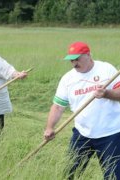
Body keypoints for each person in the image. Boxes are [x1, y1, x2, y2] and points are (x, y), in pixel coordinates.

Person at [44, 41, 120, 180]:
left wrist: (107, 94)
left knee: (113, 176)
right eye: (71, 60)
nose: (74, 63)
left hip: (110, 133)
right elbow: (58, 106)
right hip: (82, 133)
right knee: (70, 173)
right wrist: (49, 128)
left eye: (77, 59)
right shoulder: (68, 79)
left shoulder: (106, 69)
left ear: (88, 55)